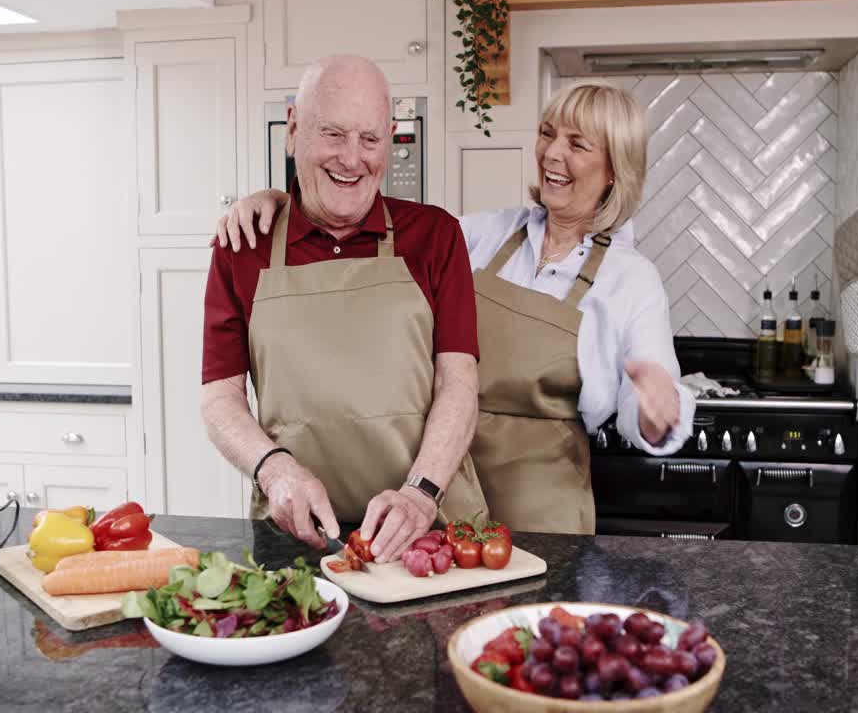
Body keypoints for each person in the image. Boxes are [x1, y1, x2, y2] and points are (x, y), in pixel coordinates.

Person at [216, 81, 696, 534]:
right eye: (548, 134)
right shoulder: (477, 235)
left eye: (578, 144)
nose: (552, 153)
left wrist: (656, 411)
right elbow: (364, 222)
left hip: (541, 506)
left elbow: (648, 404)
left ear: (615, 168)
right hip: (441, 489)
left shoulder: (631, 280)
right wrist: (281, 201)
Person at [200, 55, 490, 564]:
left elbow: (458, 384)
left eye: (370, 139)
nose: (351, 159)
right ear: (293, 130)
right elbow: (221, 400)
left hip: (430, 532)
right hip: (299, 539)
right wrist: (276, 472)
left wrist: (421, 494)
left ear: (389, 139)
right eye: (332, 134)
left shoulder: (436, 237)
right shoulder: (242, 246)